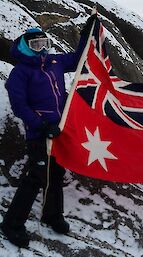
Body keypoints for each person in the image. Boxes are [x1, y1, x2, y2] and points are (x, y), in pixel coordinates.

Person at [1, 15, 96, 248]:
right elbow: (19, 105)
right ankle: (12, 224)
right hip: (39, 133)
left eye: (44, 44)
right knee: (35, 177)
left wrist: (86, 35)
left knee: (55, 175)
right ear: (26, 46)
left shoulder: (54, 62)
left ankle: (52, 215)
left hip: (59, 131)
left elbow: (77, 59)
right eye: (36, 45)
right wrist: (41, 124)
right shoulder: (20, 73)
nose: (41, 49)